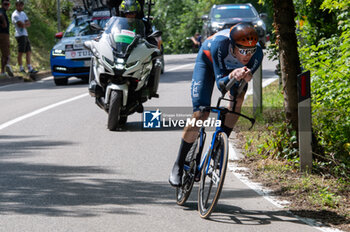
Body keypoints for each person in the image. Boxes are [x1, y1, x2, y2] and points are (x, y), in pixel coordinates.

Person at [169, 23, 264, 187]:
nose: (247, 55)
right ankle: (178, 164)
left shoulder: (258, 54)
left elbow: (237, 87)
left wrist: (244, 79)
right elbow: (221, 84)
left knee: (237, 100)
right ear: (233, 46)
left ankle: (219, 148)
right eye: (242, 50)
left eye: (251, 50)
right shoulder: (221, 44)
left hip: (233, 72)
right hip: (208, 62)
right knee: (201, 113)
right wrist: (233, 74)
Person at [11, 0, 37, 74]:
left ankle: (29, 68)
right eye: (19, 5)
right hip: (20, 35)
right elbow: (20, 24)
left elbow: (28, 23)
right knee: (21, 52)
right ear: (16, 6)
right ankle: (21, 68)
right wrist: (25, 24)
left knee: (28, 51)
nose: (20, 6)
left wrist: (25, 24)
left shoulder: (23, 13)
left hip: (25, 34)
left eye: (21, 5)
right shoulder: (15, 14)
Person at [0, 0, 13, 77]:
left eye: (8, 4)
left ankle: (3, 71)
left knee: (4, 54)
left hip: (4, 34)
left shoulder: (4, 11)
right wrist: (4, 22)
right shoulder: (1, 11)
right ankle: (5, 68)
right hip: (3, 35)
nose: (7, 5)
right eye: (5, 4)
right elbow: (0, 15)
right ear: (2, 4)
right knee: (6, 54)